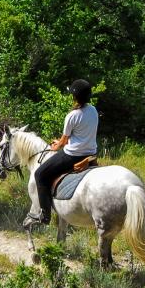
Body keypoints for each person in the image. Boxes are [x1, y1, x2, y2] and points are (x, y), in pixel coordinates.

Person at [23, 79, 98, 228]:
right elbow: (81, 136)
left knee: (40, 174)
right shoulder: (93, 110)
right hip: (90, 154)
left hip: (73, 156)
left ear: (75, 97)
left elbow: (62, 143)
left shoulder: (72, 116)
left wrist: (56, 144)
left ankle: (44, 214)